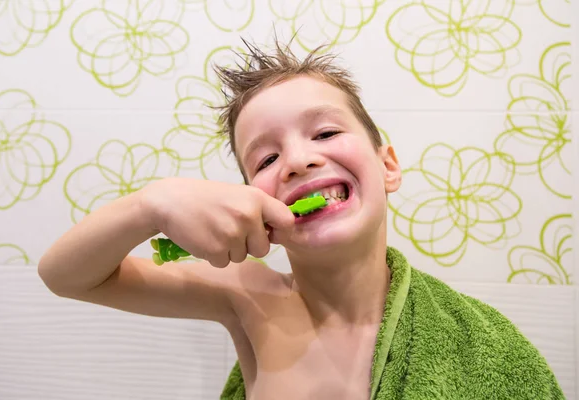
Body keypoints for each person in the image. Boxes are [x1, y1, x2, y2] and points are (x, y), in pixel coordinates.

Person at [38, 37, 564, 400]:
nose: (298, 160)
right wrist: (153, 203)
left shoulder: (485, 347)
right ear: (249, 203)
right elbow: (65, 276)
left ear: (387, 166)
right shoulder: (246, 293)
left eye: (326, 134)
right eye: (266, 160)